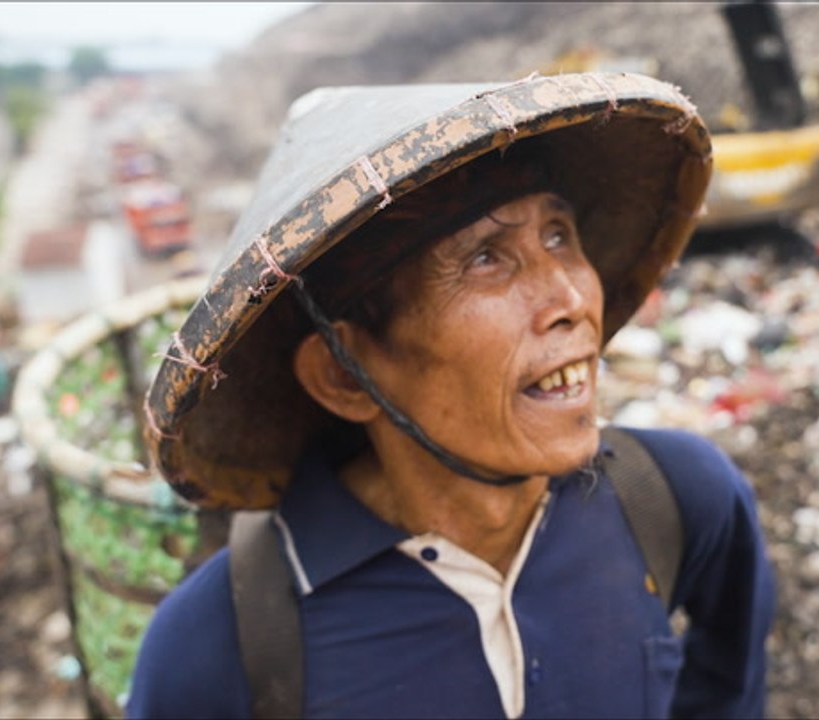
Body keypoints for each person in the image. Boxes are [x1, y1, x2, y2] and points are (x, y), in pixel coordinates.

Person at [128, 72, 775, 719]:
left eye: (557, 236)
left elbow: (729, 688)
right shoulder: (222, 645)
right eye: (487, 258)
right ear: (345, 374)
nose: (573, 301)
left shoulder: (673, 501)